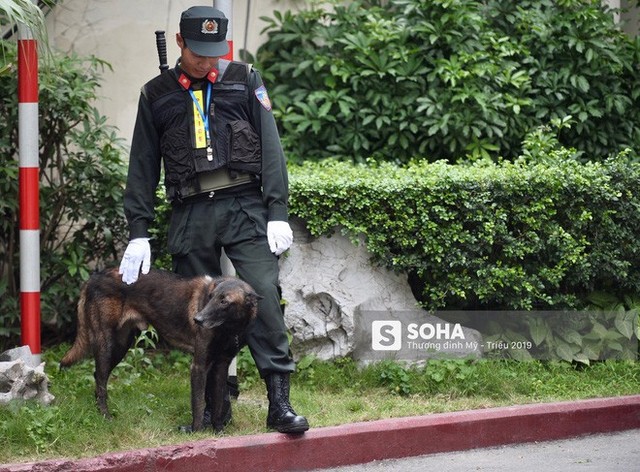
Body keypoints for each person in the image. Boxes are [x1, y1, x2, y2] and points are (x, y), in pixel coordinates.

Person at [118, 5, 309, 434]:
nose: (208, 62)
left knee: (261, 294)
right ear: (180, 43)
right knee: (203, 314)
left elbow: (271, 148)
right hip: (190, 212)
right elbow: (143, 166)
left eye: (215, 52)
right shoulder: (156, 94)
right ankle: (213, 408)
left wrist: (277, 211)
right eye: (199, 52)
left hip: (243, 205)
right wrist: (138, 231)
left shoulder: (244, 80)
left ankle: (279, 405)